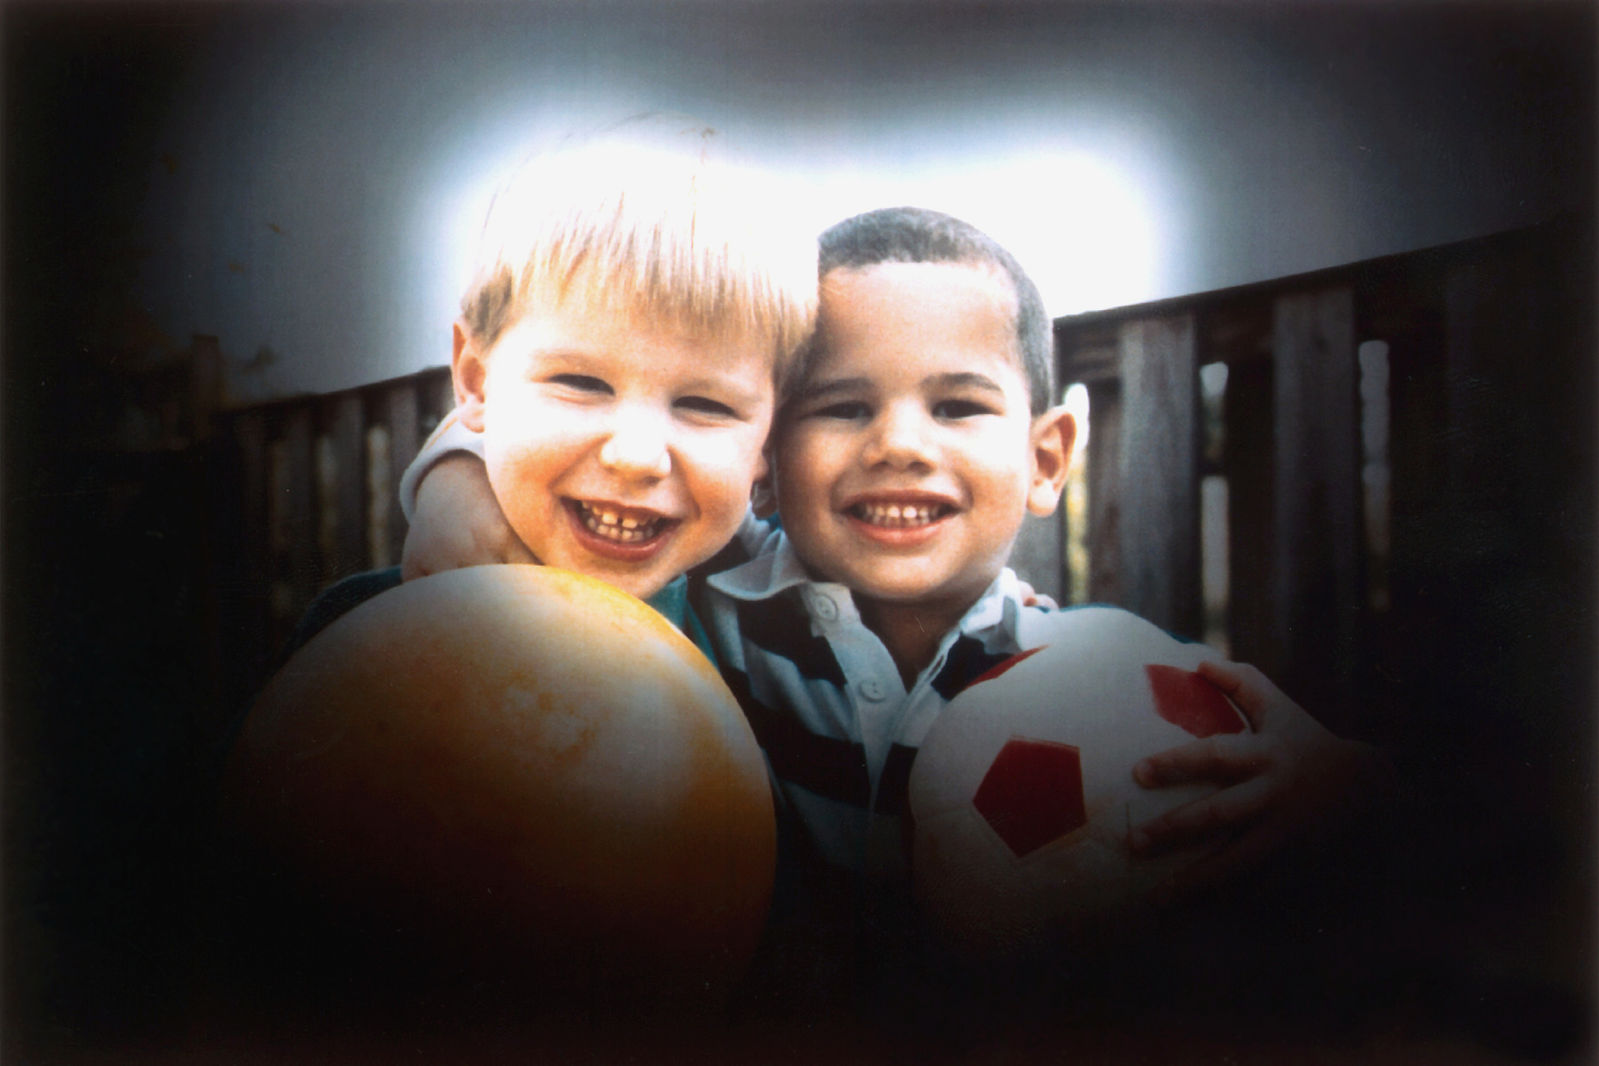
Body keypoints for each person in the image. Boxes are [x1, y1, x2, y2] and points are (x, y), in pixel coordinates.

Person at [399, 206, 1387, 964]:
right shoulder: (708, 590)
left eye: (958, 405)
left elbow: (1368, 802)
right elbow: (520, 433)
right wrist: (453, 476)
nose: (900, 446)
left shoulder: (1101, 680)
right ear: (766, 453)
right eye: (841, 407)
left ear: (1048, 457)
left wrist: (1338, 782)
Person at [283, 120, 818, 659]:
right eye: (581, 382)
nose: (636, 457)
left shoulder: (759, 654)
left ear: (768, 445)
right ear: (475, 380)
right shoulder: (364, 639)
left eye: (706, 404)